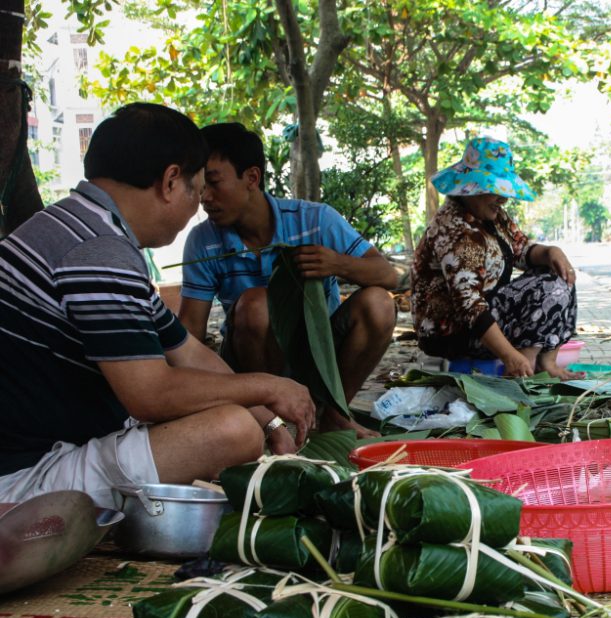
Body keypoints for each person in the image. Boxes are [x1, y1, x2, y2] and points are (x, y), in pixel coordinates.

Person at [0, 103, 316, 509]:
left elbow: (189, 353)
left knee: (241, 421)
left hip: (33, 453)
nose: (198, 207)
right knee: (231, 430)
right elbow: (150, 395)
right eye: (197, 190)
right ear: (170, 182)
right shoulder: (100, 252)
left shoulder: (79, 226)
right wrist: (269, 387)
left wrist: (268, 418)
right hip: (21, 479)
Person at [178, 123, 398, 439]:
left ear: (251, 178)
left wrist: (337, 263)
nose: (205, 197)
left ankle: (335, 413)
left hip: (319, 356)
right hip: (250, 363)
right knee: (256, 304)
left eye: (213, 183)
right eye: (199, 186)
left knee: (379, 303)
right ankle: (271, 418)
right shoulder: (203, 241)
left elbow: (387, 275)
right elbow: (190, 333)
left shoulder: (314, 220)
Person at [411, 137, 581, 380]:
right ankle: (524, 365)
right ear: (472, 186)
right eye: (496, 191)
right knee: (550, 288)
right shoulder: (457, 231)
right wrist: (509, 355)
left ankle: (545, 361)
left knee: (560, 274)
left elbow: (521, 250)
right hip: (453, 333)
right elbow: (470, 306)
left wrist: (550, 252)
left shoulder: (493, 216)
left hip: (484, 315)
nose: (503, 200)